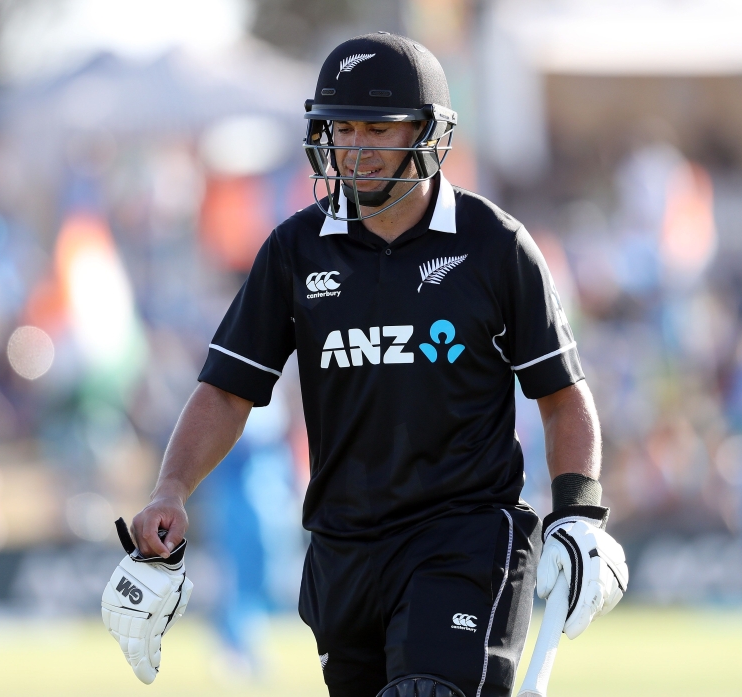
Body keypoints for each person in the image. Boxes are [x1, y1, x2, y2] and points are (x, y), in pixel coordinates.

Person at [105, 32, 628, 697]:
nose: (355, 145)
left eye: (377, 127)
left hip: (463, 539)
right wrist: (171, 488)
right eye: (341, 125)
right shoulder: (294, 249)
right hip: (343, 553)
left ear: (429, 131)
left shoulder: (497, 246)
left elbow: (561, 393)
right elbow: (228, 389)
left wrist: (579, 510)